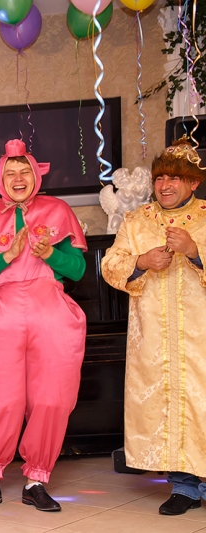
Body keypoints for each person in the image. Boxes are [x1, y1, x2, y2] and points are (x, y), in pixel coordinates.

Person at [0, 139, 87, 513]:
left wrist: (51, 254)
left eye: (24, 171)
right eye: (10, 173)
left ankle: (36, 480)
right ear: (0, 179)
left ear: (36, 175)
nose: (18, 179)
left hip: (52, 314)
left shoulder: (58, 210)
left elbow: (78, 270)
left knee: (52, 398)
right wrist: (6, 257)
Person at [101, 137, 206, 516]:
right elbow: (110, 265)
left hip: (200, 337)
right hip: (155, 337)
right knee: (168, 404)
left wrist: (195, 252)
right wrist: (141, 261)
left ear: (193, 182)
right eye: (160, 177)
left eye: (175, 178)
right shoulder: (136, 221)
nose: (165, 185)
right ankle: (184, 487)